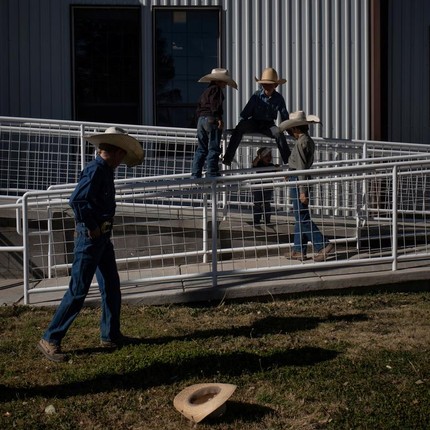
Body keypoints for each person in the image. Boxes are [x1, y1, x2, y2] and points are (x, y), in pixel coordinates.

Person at [37, 126, 144, 362]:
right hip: (90, 239)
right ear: (115, 152)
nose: (123, 160)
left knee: (111, 286)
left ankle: (111, 335)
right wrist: (92, 225)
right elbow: (76, 200)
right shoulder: (95, 170)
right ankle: (50, 339)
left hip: (102, 240)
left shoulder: (105, 170)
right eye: (122, 155)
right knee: (78, 290)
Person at [279, 111, 334, 262]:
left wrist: (302, 191)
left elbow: (301, 168)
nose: (290, 132)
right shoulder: (306, 140)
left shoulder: (301, 143)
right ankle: (298, 250)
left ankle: (323, 245)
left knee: (302, 217)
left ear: (296, 129)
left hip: (298, 180)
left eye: (291, 129)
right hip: (297, 178)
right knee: (299, 216)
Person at [222, 67, 290, 166]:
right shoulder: (256, 95)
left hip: (269, 124)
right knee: (239, 128)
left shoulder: (279, 98)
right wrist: (241, 126)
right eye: (264, 84)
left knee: (279, 134)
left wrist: (288, 129)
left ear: (275, 85)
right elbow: (246, 113)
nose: (266, 86)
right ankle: (228, 158)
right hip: (254, 122)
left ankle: (289, 163)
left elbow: (284, 116)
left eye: (269, 84)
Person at [191, 68, 238, 178]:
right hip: (211, 119)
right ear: (218, 81)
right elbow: (215, 106)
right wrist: (219, 118)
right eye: (224, 81)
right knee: (214, 148)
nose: (225, 84)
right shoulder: (216, 90)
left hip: (201, 120)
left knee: (201, 148)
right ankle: (211, 173)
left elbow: (199, 107)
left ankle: (195, 173)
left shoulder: (206, 91)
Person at [252, 147, 278, 225]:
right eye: (266, 156)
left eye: (270, 155)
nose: (269, 158)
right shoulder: (259, 164)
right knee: (257, 204)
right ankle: (256, 221)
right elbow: (254, 163)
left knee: (267, 204)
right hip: (258, 187)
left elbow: (278, 171)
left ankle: (267, 221)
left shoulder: (271, 165)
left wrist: (278, 168)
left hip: (268, 187)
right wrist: (259, 156)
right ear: (261, 157)